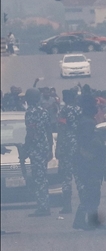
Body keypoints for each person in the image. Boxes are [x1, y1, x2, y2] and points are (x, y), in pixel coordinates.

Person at [73, 95, 106, 230]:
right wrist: (104, 146)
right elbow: (89, 142)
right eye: (95, 107)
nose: (97, 109)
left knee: (92, 192)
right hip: (89, 164)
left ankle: (88, 221)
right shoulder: (87, 123)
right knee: (91, 193)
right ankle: (83, 221)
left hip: (88, 163)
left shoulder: (86, 121)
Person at [23, 88, 54, 216]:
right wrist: (50, 147)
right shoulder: (44, 112)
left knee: (39, 178)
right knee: (43, 177)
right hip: (44, 147)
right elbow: (49, 131)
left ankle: (43, 207)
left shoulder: (30, 113)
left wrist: (25, 148)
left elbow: (30, 133)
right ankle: (44, 205)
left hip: (35, 148)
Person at [56, 89, 82, 214]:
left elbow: (61, 130)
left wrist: (58, 149)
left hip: (67, 148)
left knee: (66, 178)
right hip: (79, 147)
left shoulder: (63, 111)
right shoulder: (79, 110)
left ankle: (67, 206)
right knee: (80, 177)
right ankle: (84, 204)